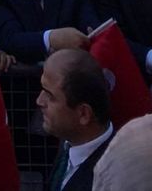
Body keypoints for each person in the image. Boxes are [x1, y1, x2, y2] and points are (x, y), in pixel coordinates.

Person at [35, 48, 114, 190]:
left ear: (83, 114)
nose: (39, 101)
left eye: (50, 96)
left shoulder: (110, 179)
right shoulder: (69, 144)